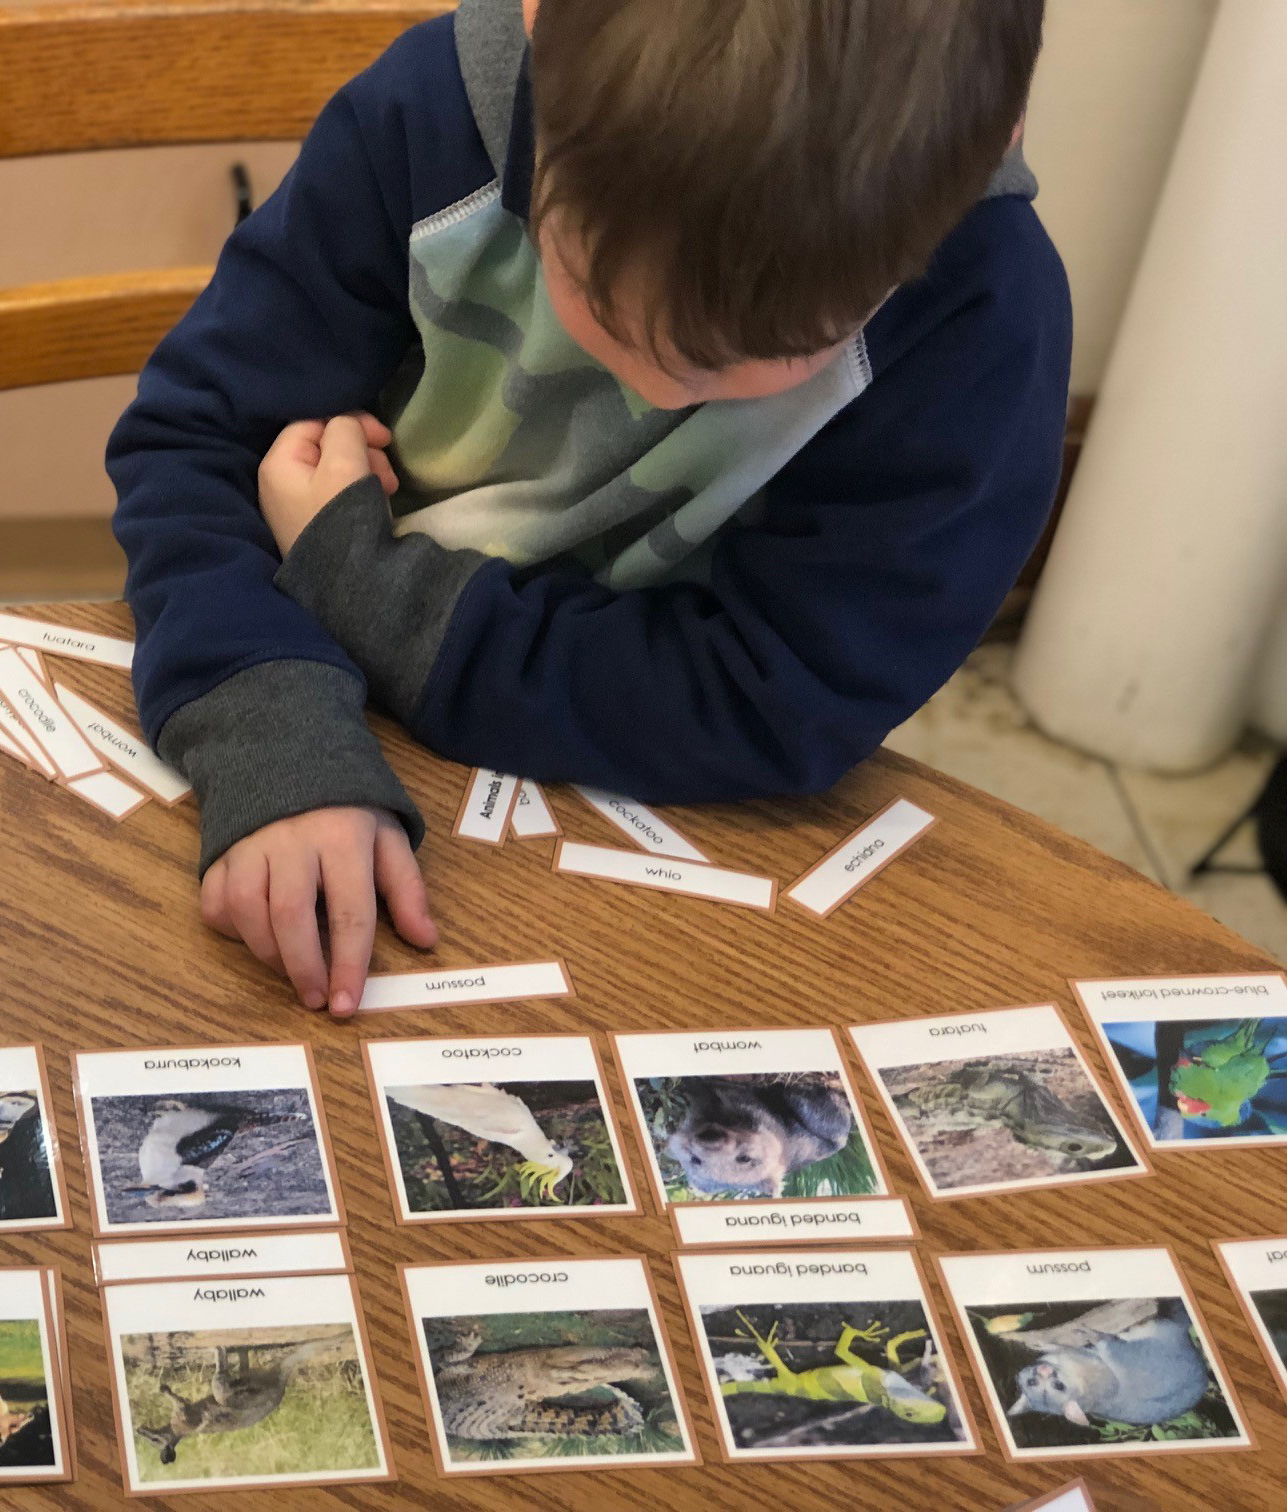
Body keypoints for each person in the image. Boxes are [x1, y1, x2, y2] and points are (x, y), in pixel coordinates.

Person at [108, 0, 1069, 1016]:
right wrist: (271, 730)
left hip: (642, 822)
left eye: (775, 350)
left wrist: (360, 584)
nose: (659, 393)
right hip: (301, 698)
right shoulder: (429, 116)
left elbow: (780, 703)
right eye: (598, 294)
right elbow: (193, 444)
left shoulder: (983, 321)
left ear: (992, 141)